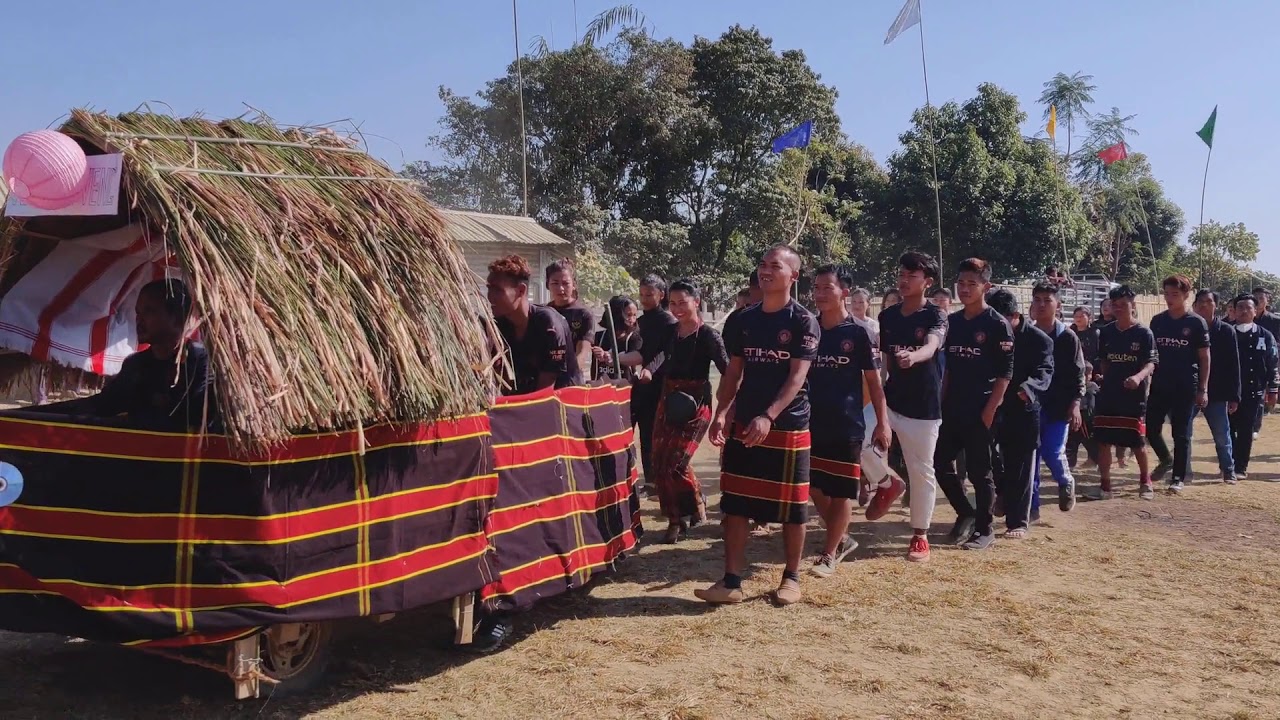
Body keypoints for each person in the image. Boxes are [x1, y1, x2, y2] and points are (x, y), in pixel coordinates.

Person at [700, 246, 819, 606]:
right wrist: (722, 413)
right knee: (735, 503)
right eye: (763, 264)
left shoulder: (803, 322)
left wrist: (769, 415)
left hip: (788, 425)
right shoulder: (742, 319)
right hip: (745, 424)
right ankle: (731, 582)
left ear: (793, 276)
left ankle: (791, 577)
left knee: (793, 508)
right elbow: (734, 372)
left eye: (775, 266)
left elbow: (797, 378)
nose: (766, 270)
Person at [37, 278, 217, 431]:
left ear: (177, 318)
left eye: (149, 311)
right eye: (138, 312)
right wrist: (34, 415)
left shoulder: (200, 362)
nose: (139, 319)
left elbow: (197, 420)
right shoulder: (135, 365)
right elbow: (102, 405)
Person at [806, 265, 894, 577]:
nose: (819, 294)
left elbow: (874, 383)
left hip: (847, 424)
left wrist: (882, 423)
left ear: (844, 291)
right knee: (812, 486)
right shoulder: (808, 328)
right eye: (816, 288)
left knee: (843, 490)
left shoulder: (859, 333)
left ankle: (829, 554)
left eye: (827, 288)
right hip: (809, 422)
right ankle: (842, 537)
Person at [933, 258, 1012, 550]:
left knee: (980, 472)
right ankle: (965, 511)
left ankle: (984, 530)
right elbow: (949, 371)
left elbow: (1005, 374)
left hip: (982, 410)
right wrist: (941, 403)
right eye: (961, 283)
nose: (964, 289)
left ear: (986, 287)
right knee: (939, 462)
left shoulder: (997, 324)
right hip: (953, 408)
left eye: (972, 284)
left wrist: (989, 411)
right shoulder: (952, 322)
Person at [640, 279, 728, 542]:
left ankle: (694, 502)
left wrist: (725, 409)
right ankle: (675, 519)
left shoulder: (709, 336)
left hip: (696, 404)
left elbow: (728, 371)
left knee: (676, 463)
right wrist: (647, 371)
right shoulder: (670, 331)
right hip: (668, 399)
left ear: (696, 302)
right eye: (673, 303)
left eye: (683, 302)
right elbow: (657, 357)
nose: (677, 308)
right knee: (659, 462)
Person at [878, 251, 947, 562]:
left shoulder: (936, 315)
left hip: (923, 407)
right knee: (859, 441)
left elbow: (931, 346)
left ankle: (920, 535)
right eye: (901, 275)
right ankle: (888, 482)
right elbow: (883, 362)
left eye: (912, 276)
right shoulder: (888, 317)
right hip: (890, 400)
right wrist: (878, 393)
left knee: (921, 471)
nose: (904, 281)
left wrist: (914, 356)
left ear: (927, 282)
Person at [988, 288, 1053, 537]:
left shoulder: (1039, 340)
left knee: (1021, 466)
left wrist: (1028, 389)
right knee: (984, 454)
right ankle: (1003, 490)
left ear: (1015, 316)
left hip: (1022, 408)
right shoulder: (988, 334)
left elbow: (1045, 372)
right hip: (991, 405)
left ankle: (1017, 522)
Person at [1089, 285, 1158, 500]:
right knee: (1103, 441)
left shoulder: (1144, 333)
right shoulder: (1106, 332)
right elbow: (1104, 361)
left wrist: (1137, 378)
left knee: (1137, 442)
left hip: (1134, 397)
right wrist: (1107, 379)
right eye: (1114, 305)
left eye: (1122, 304)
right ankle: (1105, 486)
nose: (1118, 308)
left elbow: (1151, 363)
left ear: (1133, 305)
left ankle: (1145, 483)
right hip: (1109, 394)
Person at [1147, 275, 1211, 494]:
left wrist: (1203, 388)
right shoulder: (1158, 321)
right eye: (1166, 293)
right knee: (1150, 428)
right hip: (1160, 383)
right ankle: (1166, 459)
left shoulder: (1196, 322)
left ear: (1186, 295)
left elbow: (1204, 358)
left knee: (1181, 433)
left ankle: (1178, 478)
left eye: (1175, 294)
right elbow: (1151, 354)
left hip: (1185, 385)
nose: (1169, 298)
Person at [619, 275, 678, 495]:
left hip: (659, 385)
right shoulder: (641, 322)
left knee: (650, 434)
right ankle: (628, 477)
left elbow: (665, 352)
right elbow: (639, 351)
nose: (644, 299)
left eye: (649, 294)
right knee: (630, 430)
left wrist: (651, 369)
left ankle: (654, 482)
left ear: (661, 295)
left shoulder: (669, 321)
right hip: (640, 384)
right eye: (642, 294)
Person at [487, 255, 580, 395]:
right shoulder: (499, 325)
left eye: (498, 290)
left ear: (521, 290)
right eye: (489, 288)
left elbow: (544, 393)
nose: (490, 296)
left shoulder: (549, 324)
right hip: (524, 402)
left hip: (563, 403)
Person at [1030, 283, 1085, 513]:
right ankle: (1031, 507)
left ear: (1058, 305)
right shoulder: (1027, 335)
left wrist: (1076, 404)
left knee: (1052, 451)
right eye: (1037, 300)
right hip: (1031, 405)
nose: (1042, 305)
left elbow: (1078, 374)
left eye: (1047, 300)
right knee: (1031, 457)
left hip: (1059, 406)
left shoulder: (1068, 337)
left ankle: (1065, 481)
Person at [1193, 290, 1241, 484]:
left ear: (1216, 305)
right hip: (1190, 389)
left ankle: (1228, 470)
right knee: (1183, 433)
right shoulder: (1188, 328)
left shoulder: (1227, 331)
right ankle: (1182, 472)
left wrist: (1235, 396)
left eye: (1208, 301)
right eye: (1200, 301)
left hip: (1218, 392)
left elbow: (1234, 365)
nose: (1204, 305)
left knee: (1222, 434)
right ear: (1194, 305)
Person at [1230, 295, 1280, 479]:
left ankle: (1240, 467)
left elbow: (1272, 363)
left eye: (1248, 307)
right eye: (1240, 307)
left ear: (1255, 311)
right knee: (1228, 429)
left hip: (1254, 391)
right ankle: (1228, 463)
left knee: (1246, 430)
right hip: (1228, 391)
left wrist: (1273, 389)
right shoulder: (1226, 333)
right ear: (1234, 311)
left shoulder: (1265, 336)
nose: (1244, 311)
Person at [545, 259, 595, 378]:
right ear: (547, 284)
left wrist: (569, 374)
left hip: (572, 378)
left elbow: (582, 352)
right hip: (546, 376)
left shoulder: (583, 314)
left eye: (565, 283)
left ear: (574, 285)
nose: (561, 288)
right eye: (555, 283)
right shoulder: (544, 313)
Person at [592, 296, 641, 381]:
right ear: (617, 315)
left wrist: (613, 358)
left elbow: (636, 359)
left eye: (634, 315)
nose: (632, 320)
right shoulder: (600, 336)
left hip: (626, 385)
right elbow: (594, 368)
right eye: (628, 315)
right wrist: (599, 354)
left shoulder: (634, 337)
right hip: (603, 385)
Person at [1066, 361, 1100, 470]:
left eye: (1089, 374)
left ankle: (1095, 461)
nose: (1087, 377)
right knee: (1071, 444)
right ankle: (1070, 465)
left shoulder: (1093, 386)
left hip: (1089, 423)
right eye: (1085, 374)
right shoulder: (1075, 387)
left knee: (1092, 444)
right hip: (1076, 421)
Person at [1072, 306, 1100, 371]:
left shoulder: (1095, 333)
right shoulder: (1070, 332)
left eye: (1082, 316)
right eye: (1076, 316)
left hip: (1091, 366)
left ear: (1089, 318)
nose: (1078, 318)